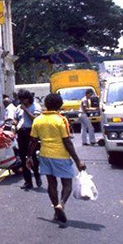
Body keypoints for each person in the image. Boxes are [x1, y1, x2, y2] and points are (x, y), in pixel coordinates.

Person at [28, 93, 86, 224]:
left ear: (46, 104)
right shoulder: (61, 120)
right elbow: (67, 142)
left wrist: (29, 156)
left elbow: (33, 141)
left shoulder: (37, 120)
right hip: (61, 156)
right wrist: (77, 161)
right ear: (60, 105)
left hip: (44, 155)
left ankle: (55, 210)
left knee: (52, 184)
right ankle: (61, 204)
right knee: (67, 184)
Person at [16, 89, 42, 190]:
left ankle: (37, 175)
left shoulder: (35, 106)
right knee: (22, 158)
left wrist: (26, 110)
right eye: (20, 99)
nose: (22, 101)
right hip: (21, 132)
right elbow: (17, 118)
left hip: (31, 132)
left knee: (32, 156)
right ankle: (28, 181)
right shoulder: (19, 108)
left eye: (23, 99)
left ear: (28, 98)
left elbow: (36, 119)